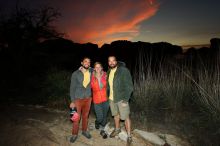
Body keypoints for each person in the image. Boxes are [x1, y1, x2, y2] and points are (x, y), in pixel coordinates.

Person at [107, 56, 134, 145]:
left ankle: (129, 136)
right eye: (110, 61)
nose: (111, 63)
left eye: (113, 61)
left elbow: (129, 86)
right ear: (108, 62)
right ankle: (117, 129)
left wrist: (126, 100)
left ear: (116, 61)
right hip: (111, 98)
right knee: (115, 115)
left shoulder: (123, 70)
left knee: (126, 117)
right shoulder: (109, 71)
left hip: (121, 98)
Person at [69, 57, 92, 143]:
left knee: (85, 116)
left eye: (89, 62)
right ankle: (74, 134)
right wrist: (72, 100)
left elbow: (98, 69)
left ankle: (84, 131)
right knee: (76, 117)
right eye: (85, 61)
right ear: (82, 63)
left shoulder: (91, 72)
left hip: (88, 98)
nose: (87, 63)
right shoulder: (75, 73)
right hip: (77, 98)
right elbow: (72, 88)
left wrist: (91, 68)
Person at [91, 62, 109, 139]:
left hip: (105, 100)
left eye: (99, 67)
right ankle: (96, 122)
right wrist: (80, 69)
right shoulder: (91, 76)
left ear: (102, 68)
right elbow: (84, 70)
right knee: (100, 117)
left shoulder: (105, 75)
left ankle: (102, 130)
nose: (98, 68)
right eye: (96, 67)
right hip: (96, 100)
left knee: (104, 116)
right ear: (94, 68)